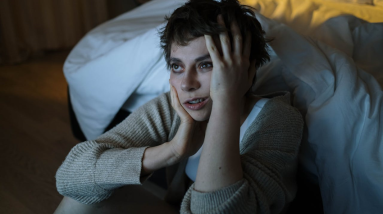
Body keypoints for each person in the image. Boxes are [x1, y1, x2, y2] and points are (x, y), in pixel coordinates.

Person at [54, 0, 304, 213]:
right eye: (177, 66)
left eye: (206, 65)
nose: (186, 84)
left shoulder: (279, 120)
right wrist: (172, 151)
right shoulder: (175, 107)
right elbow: (69, 177)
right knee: (81, 197)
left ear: (245, 69)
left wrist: (226, 100)